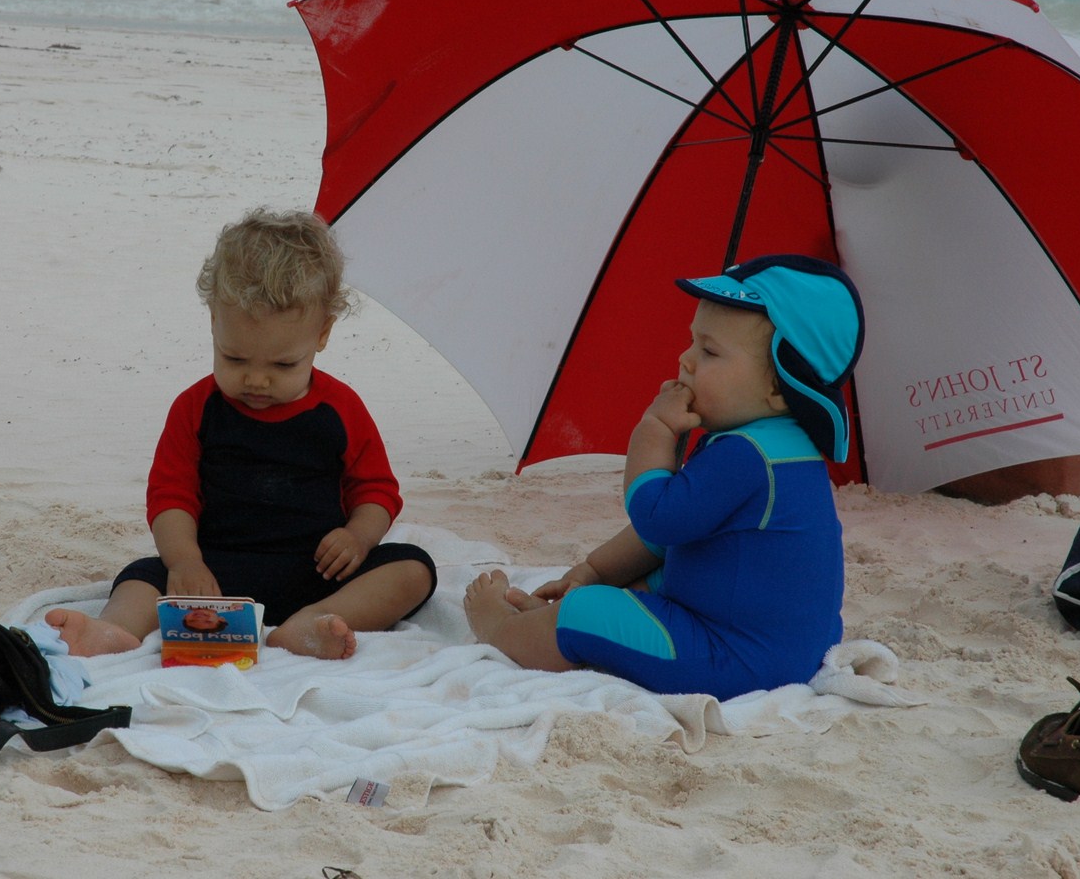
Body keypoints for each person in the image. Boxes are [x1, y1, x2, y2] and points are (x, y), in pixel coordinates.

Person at [464, 254, 865, 700]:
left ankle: (500, 629)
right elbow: (676, 536)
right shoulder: (780, 446)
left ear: (779, 385)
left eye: (709, 351)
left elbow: (657, 519)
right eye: (692, 343)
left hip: (736, 658)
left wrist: (653, 430)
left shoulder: (746, 456)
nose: (685, 360)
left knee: (584, 614)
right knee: (626, 590)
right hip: (780, 647)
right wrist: (594, 570)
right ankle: (538, 622)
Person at [49, 208, 437, 660]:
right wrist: (184, 562)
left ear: (323, 333)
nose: (257, 380)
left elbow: (376, 489)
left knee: (413, 568)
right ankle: (111, 631)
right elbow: (171, 496)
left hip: (317, 573)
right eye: (234, 359)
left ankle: (311, 624)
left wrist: (358, 537)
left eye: (282, 364)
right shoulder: (196, 408)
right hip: (211, 575)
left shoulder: (341, 408)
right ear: (213, 320)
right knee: (140, 577)